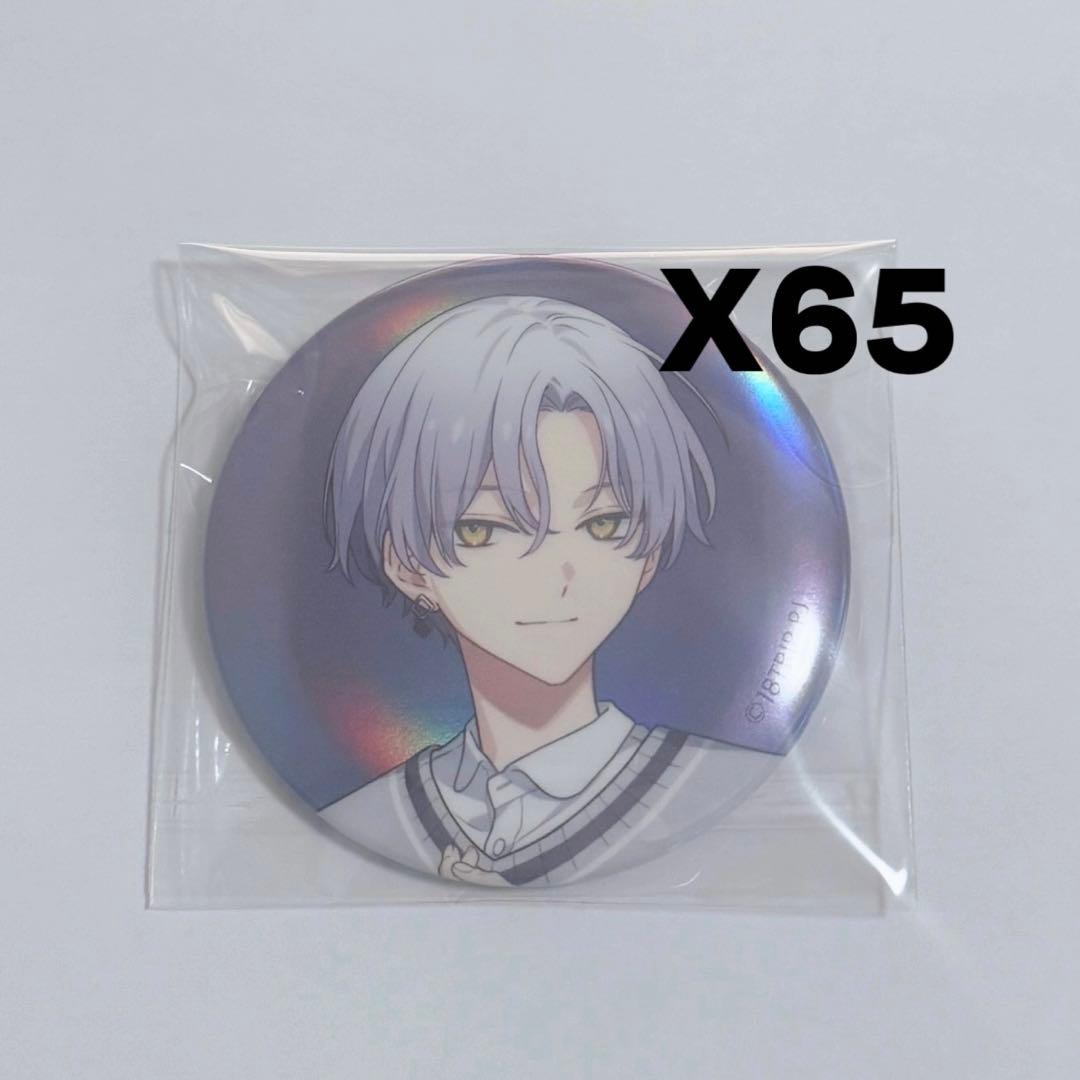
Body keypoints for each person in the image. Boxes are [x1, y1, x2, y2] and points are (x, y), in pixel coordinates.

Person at [319, 295, 769, 886]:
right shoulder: (362, 822)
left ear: (650, 552)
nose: (555, 575)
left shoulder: (736, 794)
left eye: (603, 524)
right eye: (483, 530)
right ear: (407, 565)